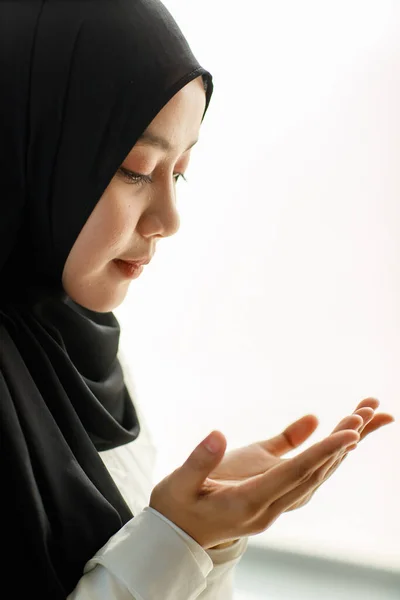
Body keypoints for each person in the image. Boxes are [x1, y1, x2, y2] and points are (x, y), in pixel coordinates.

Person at [0, 1, 395, 598]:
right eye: (136, 170)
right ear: (30, 148)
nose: (169, 218)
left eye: (178, 173)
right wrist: (175, 538)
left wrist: (204, 536)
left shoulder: (83, 346)